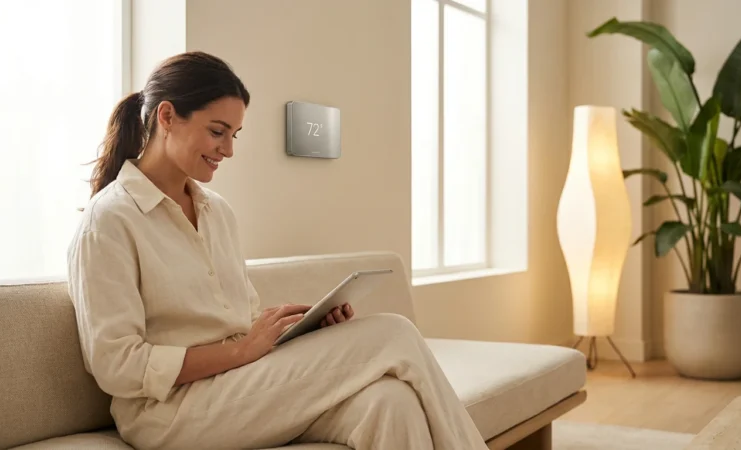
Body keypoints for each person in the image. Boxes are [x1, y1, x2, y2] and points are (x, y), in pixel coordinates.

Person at [66, 51, 488, 450]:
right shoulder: (110, 222)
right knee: (394, 333)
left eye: (234, 135)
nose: (228, 149)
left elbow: (241, 321)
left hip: (242, 382)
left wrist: (301, 333)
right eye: (217, 131)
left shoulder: (218, 214)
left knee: (390, 402)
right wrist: (240, 352)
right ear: (167, 116)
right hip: (172, 411)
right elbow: (116, 365)